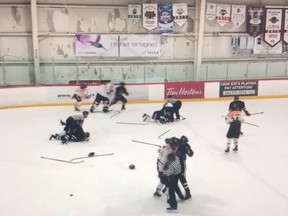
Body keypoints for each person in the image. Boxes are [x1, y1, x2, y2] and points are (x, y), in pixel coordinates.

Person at [173, 135, 194, 200]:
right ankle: (169, 186)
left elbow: (191, 154)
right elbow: (168, 140)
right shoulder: (177, 142)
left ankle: (187, 192)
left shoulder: (186, 146)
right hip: (175, 160)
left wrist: (188, 151)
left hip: (181, 161)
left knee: (182, 176)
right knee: (172, 174)